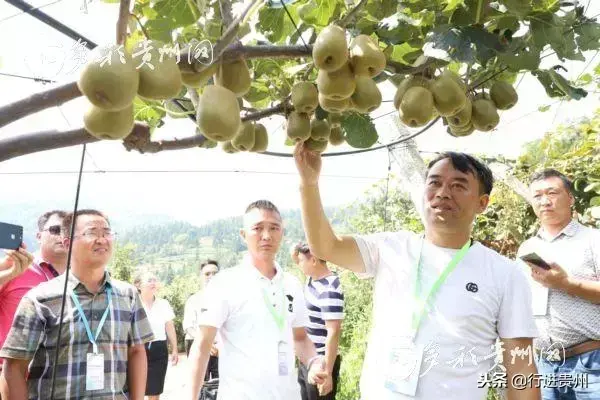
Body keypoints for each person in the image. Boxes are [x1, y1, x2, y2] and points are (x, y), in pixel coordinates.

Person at [294, 144, 541, 400]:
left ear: (482, 203)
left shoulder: (505, 274)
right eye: (434, 183)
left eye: (458, 185)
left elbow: (521, 366)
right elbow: (326, 246)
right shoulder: (390, 248)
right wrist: (308, 183)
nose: (443, 193)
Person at [0, 209, 155, 400]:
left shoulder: (128, 295)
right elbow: (14, 366)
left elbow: (137, 351)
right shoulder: (40, 299)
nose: (102, 239)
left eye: (107, 232)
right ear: (67, 243)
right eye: (92, 232)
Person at [186, 200, 328, 400]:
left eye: (274, 228)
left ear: (282, 233)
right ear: (243, 235)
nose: (266, 236)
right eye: (258, 228)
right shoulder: (225, 283)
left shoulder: (292, 284)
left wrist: (313, 361)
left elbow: (300, 338)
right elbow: (202, 346)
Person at [517, 169, 600, 399]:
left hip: (592, 363)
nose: (545, 201)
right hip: (546, 364)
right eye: (537, 195)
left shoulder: (594, 240)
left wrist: (566, 283)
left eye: (552, 193)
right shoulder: (526, 248)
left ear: (571, 198)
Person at [0, 211, 67, 376]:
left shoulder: (78, 278)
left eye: (69, 231)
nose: (63, 235)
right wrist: (7, 274)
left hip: (54, 379)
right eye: (55, 230)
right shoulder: (15, 267)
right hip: (8, 375)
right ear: (38, 236)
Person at [292, 243, 344, 400]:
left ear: (313, 260)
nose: (298, 264)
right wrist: (298, 249)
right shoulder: (312, 279)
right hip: (307, 359)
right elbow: (294, 255)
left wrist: (327, 372)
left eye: (301, 260)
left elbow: (333, 331)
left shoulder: (329, 289)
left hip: (321, 363)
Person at [134, 271, 179, 400]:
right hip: (138, 348)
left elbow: (169, 327)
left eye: (154, 280)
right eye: (149, 280)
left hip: (159, 347)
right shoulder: (132, 303)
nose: (153, 283)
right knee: (137, 388)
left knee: (155, 389)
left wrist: (174, 349)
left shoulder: (163, 304)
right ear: (138, 285)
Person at [182, 260, 220, 380]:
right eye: (207, 274)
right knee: (199, 386)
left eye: (215, 273)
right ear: (201, 277)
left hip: (219, 349)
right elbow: (188, 327)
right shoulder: (193, 300)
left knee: (220, 386)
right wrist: (205, 343)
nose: (211, 276)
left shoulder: (227, 300)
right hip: (197, 346)